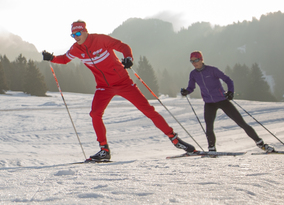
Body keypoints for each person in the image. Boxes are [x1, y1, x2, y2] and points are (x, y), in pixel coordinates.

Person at [42, 20, 195, 161]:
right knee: (95, 114)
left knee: (148, 110)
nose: (76, 37)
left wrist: (128, 58)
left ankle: (175, 139)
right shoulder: (76, 49)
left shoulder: (101, 39)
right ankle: (104, 150)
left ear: (85, 31)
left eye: (78, 33)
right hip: (103, 87)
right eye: (72, 35)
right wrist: (52, 58)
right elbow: (64, 59)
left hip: (123, 83)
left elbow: (123, 47)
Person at [181, 51, 275, 153]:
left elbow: (228, 80)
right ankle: (212, 149)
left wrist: (230, 92)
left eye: (196, 60)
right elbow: (191, 87)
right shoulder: (193, 74)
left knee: (241, 123)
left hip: (222, 100)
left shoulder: (212, 70)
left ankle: (261, 144)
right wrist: (186, 91)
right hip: (209, 103)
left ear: (201, 59)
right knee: (209, 128)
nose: (194, 63)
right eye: (192, 61)